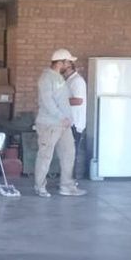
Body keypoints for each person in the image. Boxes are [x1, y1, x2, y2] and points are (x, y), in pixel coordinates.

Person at [34, 49, 88, 198]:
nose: (69, 65)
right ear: (60, 62)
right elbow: (48, 102)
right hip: (49, 124)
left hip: (63, 125)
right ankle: (40, 187)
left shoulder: (60, 78)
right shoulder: (46, 78)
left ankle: (67, 186)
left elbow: (65, 100)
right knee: (45, 156)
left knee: (69, 154)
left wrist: (67, 118)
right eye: (68, 62)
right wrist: (61, 116)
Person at [66, 60, 87, 182]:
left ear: (70, 67)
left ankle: (70, 182)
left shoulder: (77, 81)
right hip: (69, 122)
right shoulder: (69, 80)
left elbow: (78, 101)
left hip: (75, 124)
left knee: (70, 154)